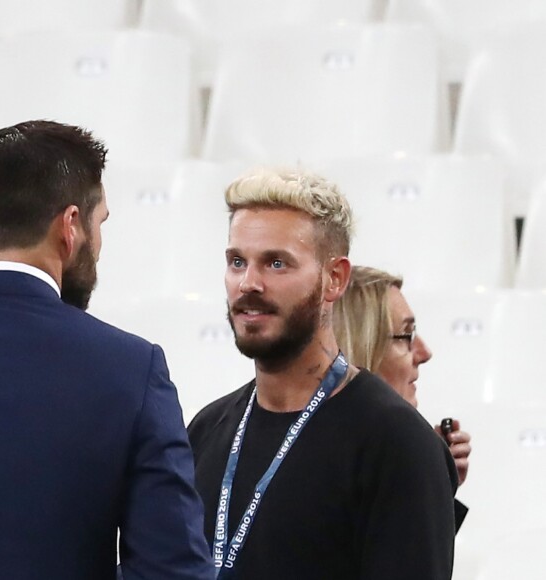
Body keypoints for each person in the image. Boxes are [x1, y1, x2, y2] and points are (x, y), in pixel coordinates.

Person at [0, 120, 213, 580]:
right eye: (100, 224)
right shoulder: (130, 369)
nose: (98, 246)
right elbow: (173, 569)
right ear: (71, 226)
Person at [187, 167, 458, 579]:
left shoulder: (398, 443)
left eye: (276, 263)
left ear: (334, 279)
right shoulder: (206, 430)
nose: (248, 283)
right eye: (237, 262)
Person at [333, 265, 472, 530]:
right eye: (406, 336)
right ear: (361, 345)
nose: (425, 352)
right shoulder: (317, 465)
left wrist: (432, 482)